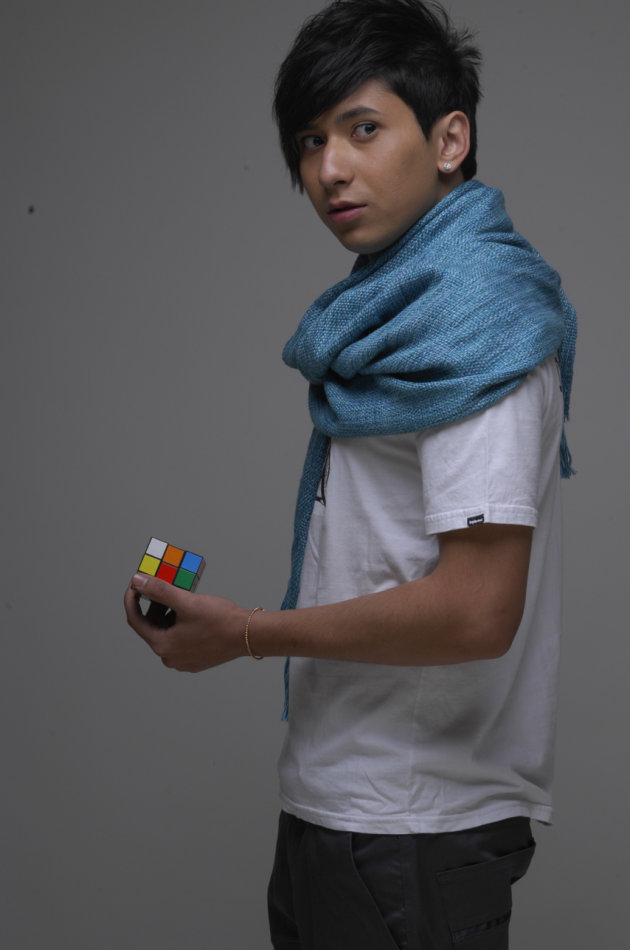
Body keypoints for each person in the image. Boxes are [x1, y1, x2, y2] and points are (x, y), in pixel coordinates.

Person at [124, 1, 577, 947]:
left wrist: (247, 634)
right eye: (310, 141)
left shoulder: (479, 322)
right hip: (342, 808)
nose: (329, 168)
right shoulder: (394, 317)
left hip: (412, 826)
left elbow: (477, 611)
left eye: (362, 129)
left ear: (450, 139)